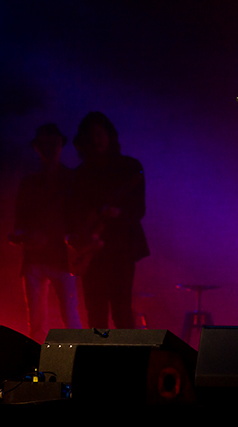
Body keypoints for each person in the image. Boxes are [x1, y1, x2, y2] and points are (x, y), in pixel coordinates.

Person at [68, 112, 149, 330]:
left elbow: (138, 209)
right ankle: (99, 362)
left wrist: (118, 214)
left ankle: (127, 362)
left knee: (121, 309)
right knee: (95, 312)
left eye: (99, 133)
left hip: (121, 248)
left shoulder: (129, 167)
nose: (96, 139)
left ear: (109, 135)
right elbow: (73, 212)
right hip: (91, 250)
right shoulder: (81, 174)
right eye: (91, 135)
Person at [10, 124, 82, 343]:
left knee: (63, 319)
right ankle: (61, 367)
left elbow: (79, 218)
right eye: (45, 145)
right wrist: (25, 237)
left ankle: (55, 368)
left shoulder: (70, 180)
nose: (50, 149)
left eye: (53, 144)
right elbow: (19, 224)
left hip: (61, 258)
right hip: (42, 259)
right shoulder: (35, 182)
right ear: (38, 148)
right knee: (49, 321)